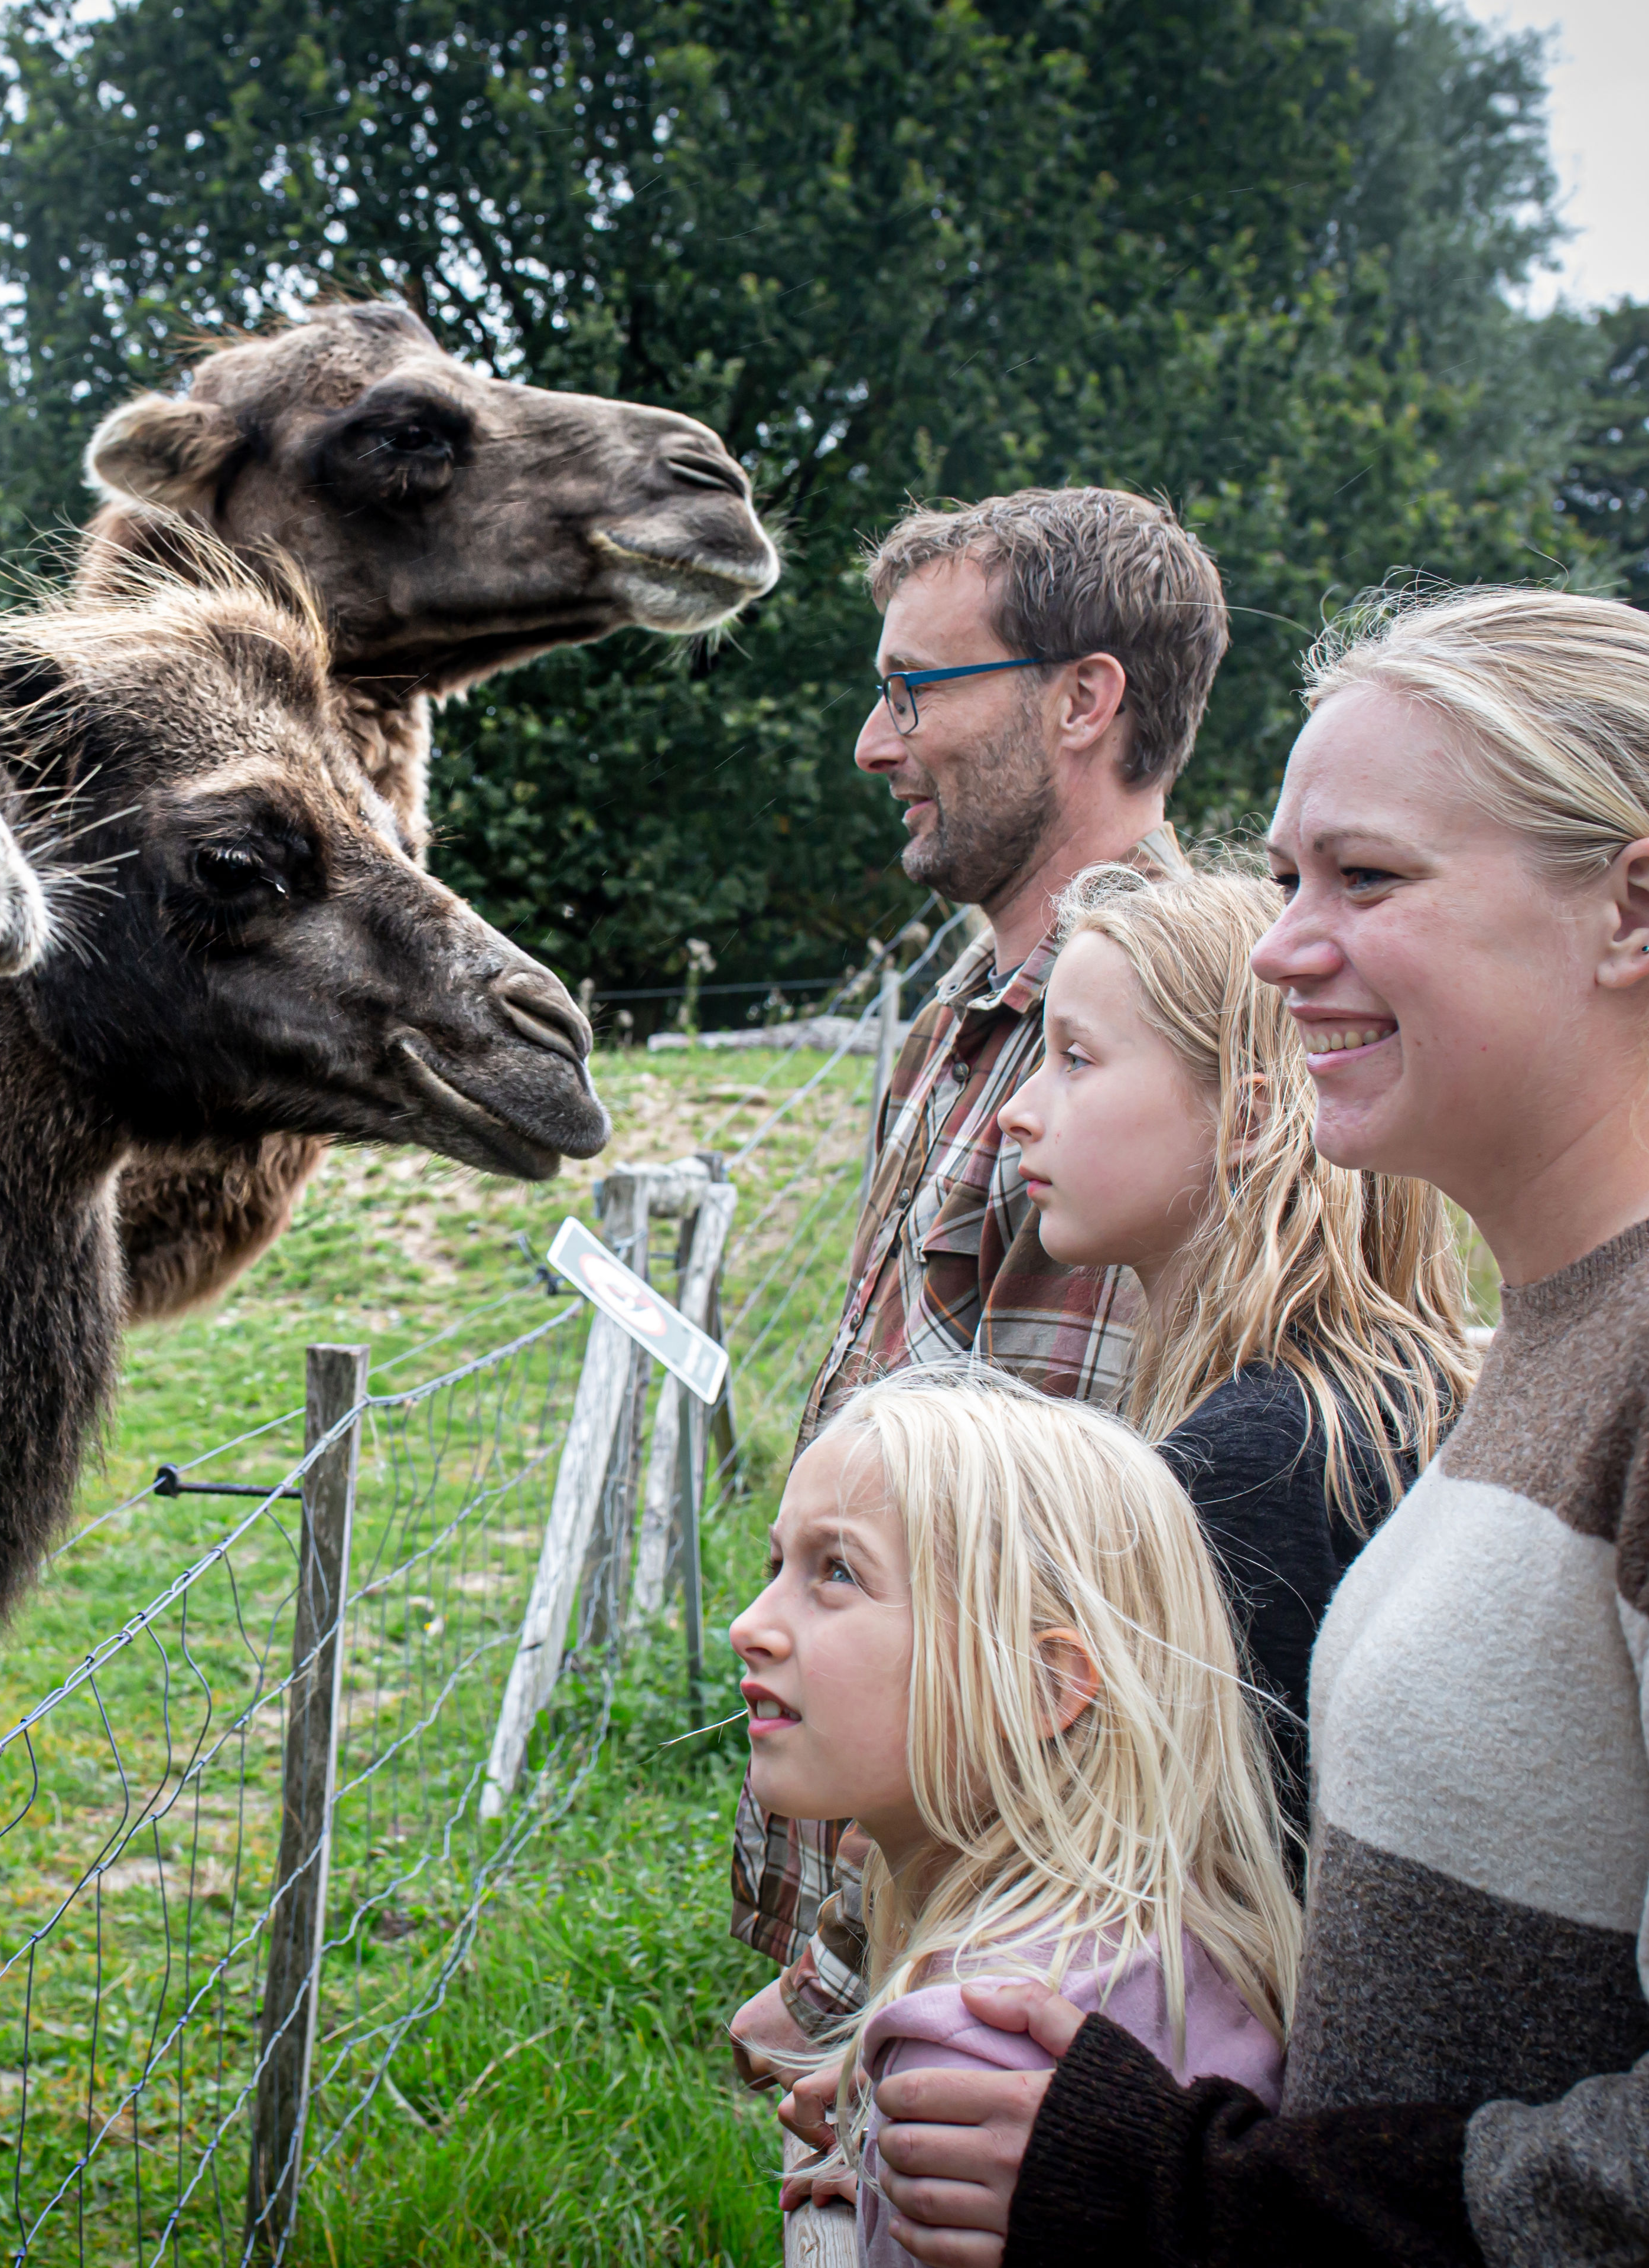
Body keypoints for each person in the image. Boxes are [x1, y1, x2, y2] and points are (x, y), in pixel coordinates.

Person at [859, 585, 1649, 2267]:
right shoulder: (1572, 1315)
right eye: (1290, 877)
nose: (1286, 945)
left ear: (1634, 913)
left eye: (1365, 879)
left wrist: (1176, 2187)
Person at [733, 487, 1234, 2070]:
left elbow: (1030, 1590)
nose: (875, 744)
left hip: (968, 1977)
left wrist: (844, 1990)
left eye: (911, 690)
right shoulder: (985, 994)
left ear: (1086, 700)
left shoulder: (1138, 1051)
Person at [727, 1366, 1302, 2268]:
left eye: (836, 1572)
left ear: (1044, 1686)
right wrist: (883, 2163)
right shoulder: (1163, 1943)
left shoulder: (976, 2060)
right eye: (778, 1565)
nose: (750, 1624)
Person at [991, 863, 1475, 1832]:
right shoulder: (1389, 1389)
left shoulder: (1257, 1462)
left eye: (1074, 1059)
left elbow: (1218, 1862)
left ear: (1248, 1118)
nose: (1019, 1111)